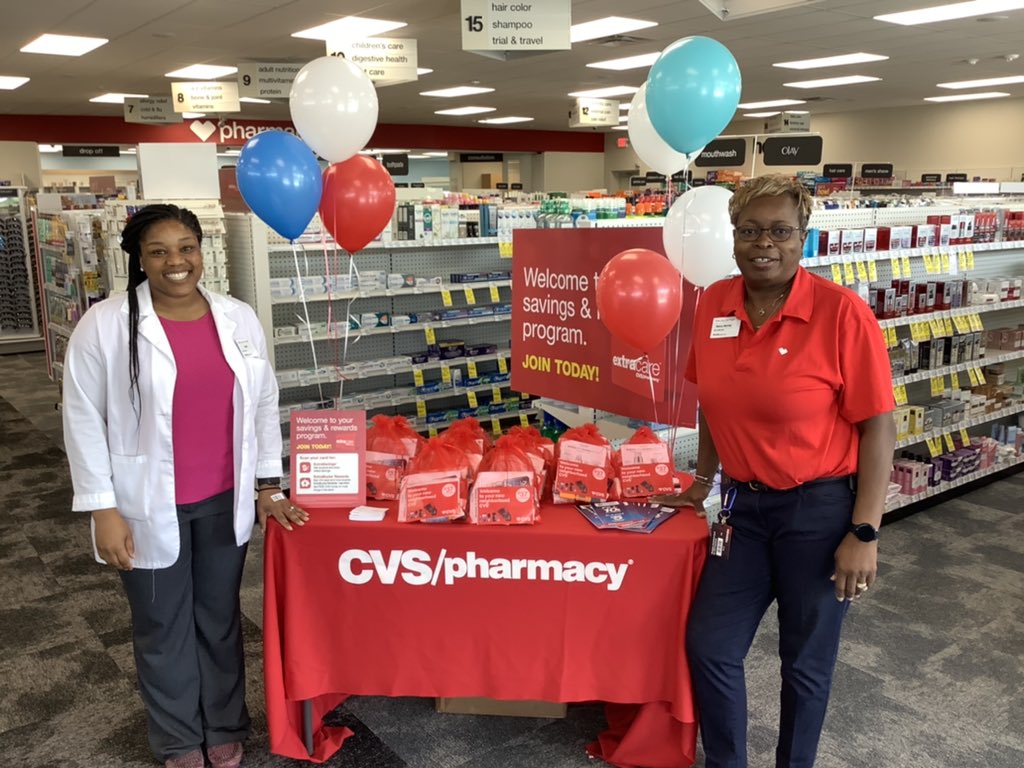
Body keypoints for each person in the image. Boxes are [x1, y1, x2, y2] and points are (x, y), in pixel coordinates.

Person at [655, 175, 896, 767]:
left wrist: (864, 532)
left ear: (803, 238)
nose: (765, 243)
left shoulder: (842, 314)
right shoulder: (714, 301)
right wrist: (703, 481)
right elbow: (713, 400)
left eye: (781, 231)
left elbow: (878, 428)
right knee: (710, 645)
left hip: (818, 513)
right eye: (750, 231)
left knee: (804, 663)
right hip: (743, 511)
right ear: (733, 237)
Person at [62, 204, 309, 768]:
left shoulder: (237, 317)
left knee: (219, 620)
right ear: (139, 259)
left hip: (224, 499)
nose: (177, 261)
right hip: (145, 502)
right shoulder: (105, 324)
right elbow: (80, 416)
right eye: (159, 251)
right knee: (161, 625)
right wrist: (102, 507)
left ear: (202, 251)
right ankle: (177, 738)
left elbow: (264, 403)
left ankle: (224, 724)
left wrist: (268, 484)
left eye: (187, 247)